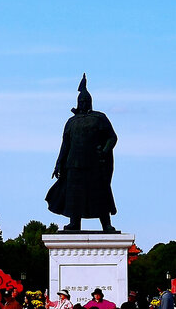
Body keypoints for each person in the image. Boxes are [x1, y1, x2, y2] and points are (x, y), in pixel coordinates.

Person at [46, 73, 118, 232]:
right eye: (81, 101)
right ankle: (74, 223)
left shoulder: (99, 118)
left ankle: (106, 223)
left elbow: (112, 138)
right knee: (74, 196)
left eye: (86, 101)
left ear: (90, 102)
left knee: (100, 193)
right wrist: (58, 164)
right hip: (73, 164)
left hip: (94, 164)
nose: (83, 103)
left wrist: (104, 151)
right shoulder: (71, 122)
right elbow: (65, 145)